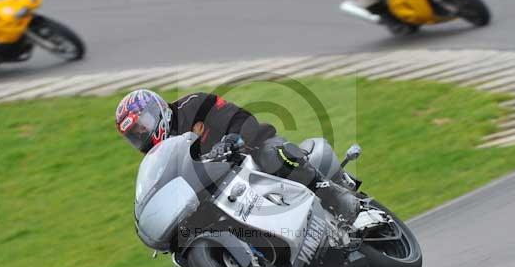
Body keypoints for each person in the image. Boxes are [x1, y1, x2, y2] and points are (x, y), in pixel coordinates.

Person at [115, 89, 360, 222]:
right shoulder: (158, 155)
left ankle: (330, 193)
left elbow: (240, 118)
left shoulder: (193, 104)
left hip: (247, 152)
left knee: (273, 154)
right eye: (135, 135)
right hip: (217, 187)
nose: (142, 134)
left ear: (157, 109)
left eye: (142, 125)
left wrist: (232, 139)